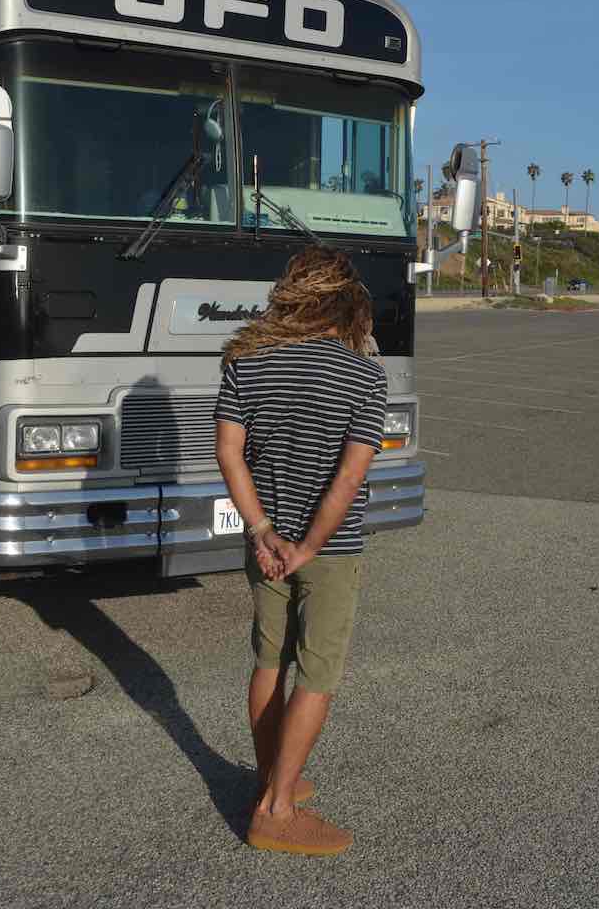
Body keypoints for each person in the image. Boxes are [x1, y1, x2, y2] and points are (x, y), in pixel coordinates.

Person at [214, 246, 386, 856]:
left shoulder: (245, 360)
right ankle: (277, 810)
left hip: (266, 545)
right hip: (327, 550)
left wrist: (262, 530)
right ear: (346, 303)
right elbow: (349, 477)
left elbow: (229, 453)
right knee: (318, 672)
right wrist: (309, 547)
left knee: (269, 660)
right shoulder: (365, 375)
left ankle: (271, 779)